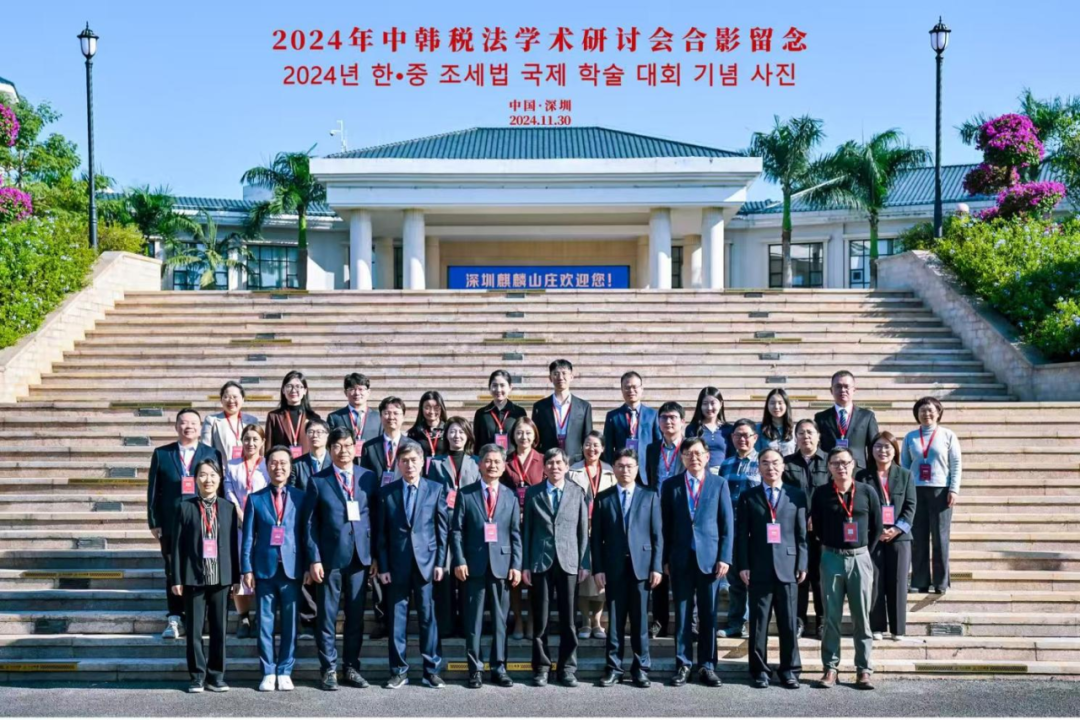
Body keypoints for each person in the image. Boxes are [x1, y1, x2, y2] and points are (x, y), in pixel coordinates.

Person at [304, 427, 379, 691]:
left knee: (355, 617)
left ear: (355, 447)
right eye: (337, 446)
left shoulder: (368, 477)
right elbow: (310, 524)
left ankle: (351, 667)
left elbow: (375, 518)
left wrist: (375, 556)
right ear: (329, 449)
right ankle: (328, 669)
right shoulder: (318, 480)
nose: (343, 451)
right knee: (327, 616)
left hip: (360, 557)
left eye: (348, 445)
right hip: (330, 559)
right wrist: (314, 559)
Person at [661, 437, 733, 688]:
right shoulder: (670, 485)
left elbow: (727, 524)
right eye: (688, 454)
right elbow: (664, 526)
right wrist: (664, 559)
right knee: (682, 615)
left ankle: (707, 665)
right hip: (680, 558)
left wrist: (725, 557)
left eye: (698, 453)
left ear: (707, 456)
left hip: (710, 560)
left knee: (708, 614)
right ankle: (683, 664)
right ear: (682, 458)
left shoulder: (719, 483)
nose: (694, 458)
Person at [377, 439, 448, 689]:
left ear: (422, 462)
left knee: (428, 618)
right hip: (397, 564)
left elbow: (442, 529)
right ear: (398, 464)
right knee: (397, 620)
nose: (409, 465)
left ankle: (431, 671)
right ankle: (399, 671)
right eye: (404, 461)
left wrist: (440, 562)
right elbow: (381, 534)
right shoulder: (387, 492)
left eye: (414, 460)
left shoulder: (435, 489)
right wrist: (383, 567)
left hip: (427, 563)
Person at [451, 444, 523, 689]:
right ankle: (475, 669)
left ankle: (499, 668)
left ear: (504, 467)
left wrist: (516, 564)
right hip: (473, 566)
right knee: (473, 622)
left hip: (502, 565)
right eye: (488, 461)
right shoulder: (466, 494)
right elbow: (456, 531)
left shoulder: (510, 496)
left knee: (501, 621)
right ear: (479, 464)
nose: (492, 465)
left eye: (497, 462)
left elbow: (515, 533)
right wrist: (459, 560)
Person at [590, 448, 662, 688]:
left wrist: (656, 567)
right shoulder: (603, 498)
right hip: (613, 568)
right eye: (620, 466)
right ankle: (614, 668)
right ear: (614, 469)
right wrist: (598, 568)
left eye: (629, 466)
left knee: (640, 621)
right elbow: (596, 538)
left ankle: (641, 669)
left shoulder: (650, 495)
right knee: (615, 621)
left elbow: (657, 535)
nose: (625, 470)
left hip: (642, 567)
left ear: (637, 469)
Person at [148, 408, 222, 640]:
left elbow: (218, 487)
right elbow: (153, 490)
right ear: (176, 426)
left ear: (200, 428)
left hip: (203, 520)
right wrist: (154, 521)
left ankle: (198, 616)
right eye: (183, 422)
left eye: (193, 423)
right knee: (173, 568)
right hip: (171, 522)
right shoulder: (162, 453)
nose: (188, 426)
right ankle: (174, 616)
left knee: (202, 566)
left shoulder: (211, 453)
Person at [735, 449, 807, 689]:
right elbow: (742, 535)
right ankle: (759, 671)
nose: (770, 467)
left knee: (789, 622)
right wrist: (743, 565)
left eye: (775, 462)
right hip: (759, 567)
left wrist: (802, 563)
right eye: (765, 463)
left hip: (789, 566)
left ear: (783, 466)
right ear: (759, 467)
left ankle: (790, 670)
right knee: (758, 624)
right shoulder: (748, 496)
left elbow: (801, 534)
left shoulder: (796, 495)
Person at [812, 447, 882, 690]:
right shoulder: (821, 493)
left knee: (861, 616)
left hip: (860, 558)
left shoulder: (867, 491)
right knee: (831, 616)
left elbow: (877, 526)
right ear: (829, 467)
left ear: (853, 464)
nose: (840, 467)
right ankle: (830, 668)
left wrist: (862, 551)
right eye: (835, 463)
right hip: (831, 557)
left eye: (845, 462)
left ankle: (864, 669)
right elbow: (817, 527)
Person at [522, 447, 590, 687]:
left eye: (559, 463)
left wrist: (584, 562)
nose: (554, 467)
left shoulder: (577, 492)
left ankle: (567, 668)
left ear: (567, 466)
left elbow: (583, 530)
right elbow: (527, 531)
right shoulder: (533, 492)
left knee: (568, 619)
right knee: (540, 618)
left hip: (569, 560)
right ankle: (541, 667)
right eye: (550, 463)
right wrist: (525, 565)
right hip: (540, 561)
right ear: (544, 467)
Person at [241, 446, 306, 692]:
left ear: (290, 467)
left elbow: (306, 535)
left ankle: (285, 669)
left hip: (292, 569)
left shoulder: (301, 497)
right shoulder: (255, 499)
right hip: (264, 569)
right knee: (265, 622)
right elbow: (248, 537)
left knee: (290, 623)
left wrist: (309, 565)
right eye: (274, 463)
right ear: (266, 466)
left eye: (283, 463)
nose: (278, 468)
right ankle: (268, 670)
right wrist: (246, 568)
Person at [170, 457, 238, 693]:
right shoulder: (185, 507)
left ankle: (216, 676)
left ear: (220, 478)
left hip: (221, 577)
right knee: (194, 631)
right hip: (194, 577)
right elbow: (176, 547)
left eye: (212, 475)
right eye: (203, 475)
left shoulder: (228, 508)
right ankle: (197, 676)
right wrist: (176, 578)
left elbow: (233, 544)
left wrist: (235, 577)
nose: (208, 479)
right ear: (195, 479)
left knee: (219, 630)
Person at [858, 431, 916, 641]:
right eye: (878, 446)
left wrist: (897, 529)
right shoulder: (862, 476)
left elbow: (910, 506)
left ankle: (898, 629)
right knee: (875, 582)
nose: (882, 450)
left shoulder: (905, 475)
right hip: (873, 537)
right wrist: (877, 529)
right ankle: (877, 626)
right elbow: (860, 507)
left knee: (898, 582)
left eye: (887, 447)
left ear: (895, 451)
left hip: (900, 538)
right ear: (871, 450)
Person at [901, 396, 961, 595]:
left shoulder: (948, 435)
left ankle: (941, 581)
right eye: (922, 411)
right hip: (916, 490)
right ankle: (919, 581)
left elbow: (956, 464)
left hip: (940, 491)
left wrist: (953, 489)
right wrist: (904, 492)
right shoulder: (910, 437)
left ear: (938, 413)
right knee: (918, 537)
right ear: (916, 414)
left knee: (940, 537)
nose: (926, 414)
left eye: (930, 410)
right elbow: (905, 465)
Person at [427, 416, 480, 639]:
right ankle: (446, 625)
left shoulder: (477, 461)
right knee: (446, 576)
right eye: (452, 431)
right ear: (446, 435)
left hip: (469, 526)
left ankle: (468, 624)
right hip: (444, 524)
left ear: (468, 435)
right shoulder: (436, 463)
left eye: (461, 431)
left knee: (468, 576)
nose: (456, 436)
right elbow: (431, 493)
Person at [782, 419, 830, 639]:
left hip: (823, 529)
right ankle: (799, 619)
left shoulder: (829, 460)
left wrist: (817, 516)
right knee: (798, 574)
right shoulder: (786, 463)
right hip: (794, 528)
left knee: (821, 577)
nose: (805, 437)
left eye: (810, 432)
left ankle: (823, 620)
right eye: (801, 433)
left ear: (818, 436)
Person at [567, 430, 616, 640]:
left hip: (604, 528)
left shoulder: (611, 471)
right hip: (580, 527)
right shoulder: (572, 471)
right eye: (587, 444)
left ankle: (597, 621)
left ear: (603, 448)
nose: (591, 449)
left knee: (600, 575)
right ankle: (585, 622)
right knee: (583, 576)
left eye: (596, 445)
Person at [501, 416, 545, 639]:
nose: (523, 437)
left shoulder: (543, 460)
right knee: (515, 574)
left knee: (535, 574)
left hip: (537, 523)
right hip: (511, 524)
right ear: (513, 435)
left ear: (535, 435)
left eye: (528, 433)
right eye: (519, 432)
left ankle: (532, 620)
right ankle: (518, 619)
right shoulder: (505, 461)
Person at [718, 419, 762, 639]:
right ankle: (736, 623)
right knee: (735, 581)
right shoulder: (725, 464)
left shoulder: (763, 462)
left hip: (755, 532)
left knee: (755, 580)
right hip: (732, 530)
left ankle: (755, 623)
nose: (742, 439)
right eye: (737, 435)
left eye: (746, 435)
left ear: (755, 438)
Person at [223, 424, 268, 638]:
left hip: (263, 525)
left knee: (261, 569)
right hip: (239, 525)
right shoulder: (232, 465)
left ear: (262, 442)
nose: (251, 443)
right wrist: (240, 513)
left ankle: (260, 615)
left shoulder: (267, 464)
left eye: (255, 439)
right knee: (241, 569)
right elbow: (229, 491)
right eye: (247, 439)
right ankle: (243, 617)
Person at [645, 401, 685, 638]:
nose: (668, 422)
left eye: (673, 417)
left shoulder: (689, 447)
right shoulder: (652, 449)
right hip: (657, 514)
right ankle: (659, 620)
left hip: (682, 514)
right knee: (658, 566)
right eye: (664, 418)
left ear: (682, 421)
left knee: (682, 569)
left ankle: (686, 621)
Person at [814, 370, 879, 471]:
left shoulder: (867, 417)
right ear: (831, 390)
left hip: (858, 472)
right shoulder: (821, 418)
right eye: (838, 386)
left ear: (854, 390)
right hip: (830, 471)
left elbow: (874, 447)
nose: (842, 390)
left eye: (846, 386)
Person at [531, 359, 594, 463]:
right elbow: (536, 438)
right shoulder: (540, 407)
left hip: (575, 461)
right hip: (549, 461)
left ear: (571, 377)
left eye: (564, 373)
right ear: (550, 378)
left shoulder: (584, 406)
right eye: (556, 374)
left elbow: (588, 437)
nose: (560, 377)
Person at [602, 371, 661, 475]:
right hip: (623, 470)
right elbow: (608, 448)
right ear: (621, 389)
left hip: (646, 471)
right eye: (627, 387)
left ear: (642, 389)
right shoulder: (613, 416)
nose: (631, 390)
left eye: (634, 387)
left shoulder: (653, 415)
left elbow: (659, 444)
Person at [265, 371, 322, 459]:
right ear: (283, 390)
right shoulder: (274, 416)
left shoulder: (313, 417)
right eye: (289, 386)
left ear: (305, 391)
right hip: (282, 463)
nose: (293, 390)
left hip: (307, 464)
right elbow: (269, 446)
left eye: (298, 386)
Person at [200, 381, 260, 462]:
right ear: (221, 400)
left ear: (243, 399)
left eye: (235, 397)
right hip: (222, 468)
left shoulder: (252, 421)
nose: (231, 401)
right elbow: (206, 450)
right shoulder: (211, 420)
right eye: (226, 397)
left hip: (248, 468)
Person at [473, 370, 528, 452]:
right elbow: (477, 443)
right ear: (489, 387)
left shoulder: (519, 412)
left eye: (502, 385)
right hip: (488, 459)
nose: (498, 390)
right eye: (494, 385)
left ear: (510, 387)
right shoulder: (481, 413)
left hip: (512, 459)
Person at [327, 373, 382, 452]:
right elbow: (330, 444)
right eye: (352, 389)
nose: (357, 393)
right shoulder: (335, 417)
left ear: (368, 392)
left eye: (361, 389)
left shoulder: (378, 417)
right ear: (345, 392)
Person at [685, 387, 733, 475]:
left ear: (721, 404)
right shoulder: (692, 429)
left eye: (713, 403)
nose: (709, 408)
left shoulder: (729, 429)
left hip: (724, 474)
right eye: (705, 404)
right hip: (700, 474)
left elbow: (732, 455)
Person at [407, 390, 449, 471]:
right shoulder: (414, 433)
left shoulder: (448, 430)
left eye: (436, 408)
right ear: (421, 409)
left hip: (444, 473)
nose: (432, 411)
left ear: (441, 409)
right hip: (421, 475)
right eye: (427, 407)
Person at [290, 419, 333, 491]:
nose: (315, 435)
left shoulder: (335, 461)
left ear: (327, 435)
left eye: (319, 432)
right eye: (311, 432)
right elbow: (292, 491)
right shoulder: (296, 464)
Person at [756, 388, 796, 457]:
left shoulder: (794, 429)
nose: (776, 407)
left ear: (786, 405)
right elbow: (756, 455)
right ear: (767, 406)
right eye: (772, 403)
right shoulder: (758, 429)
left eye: (780, 403)